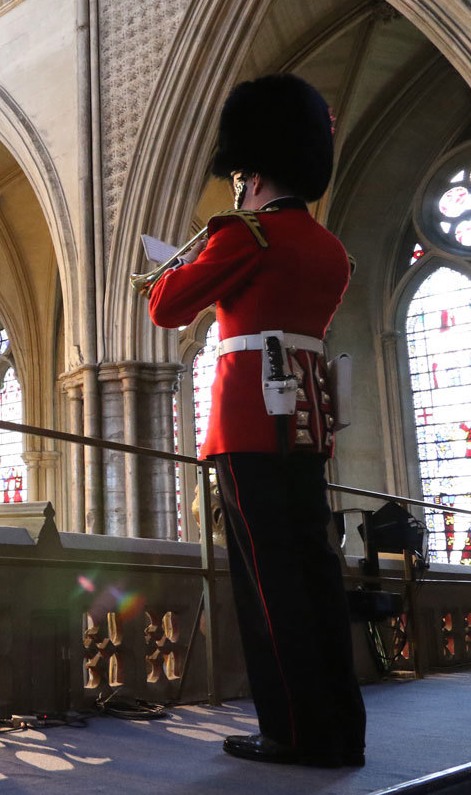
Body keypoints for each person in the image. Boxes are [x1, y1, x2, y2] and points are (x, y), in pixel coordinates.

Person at [147, 73, 365, 767]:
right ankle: (341, 730)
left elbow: (165, 308)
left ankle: (294, 732)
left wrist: (185, 259)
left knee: (269, 587)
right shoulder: (328, 250)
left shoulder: (245, 236)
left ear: (251, 171)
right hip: (307, 424)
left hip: (247, 426)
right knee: (316, 576)